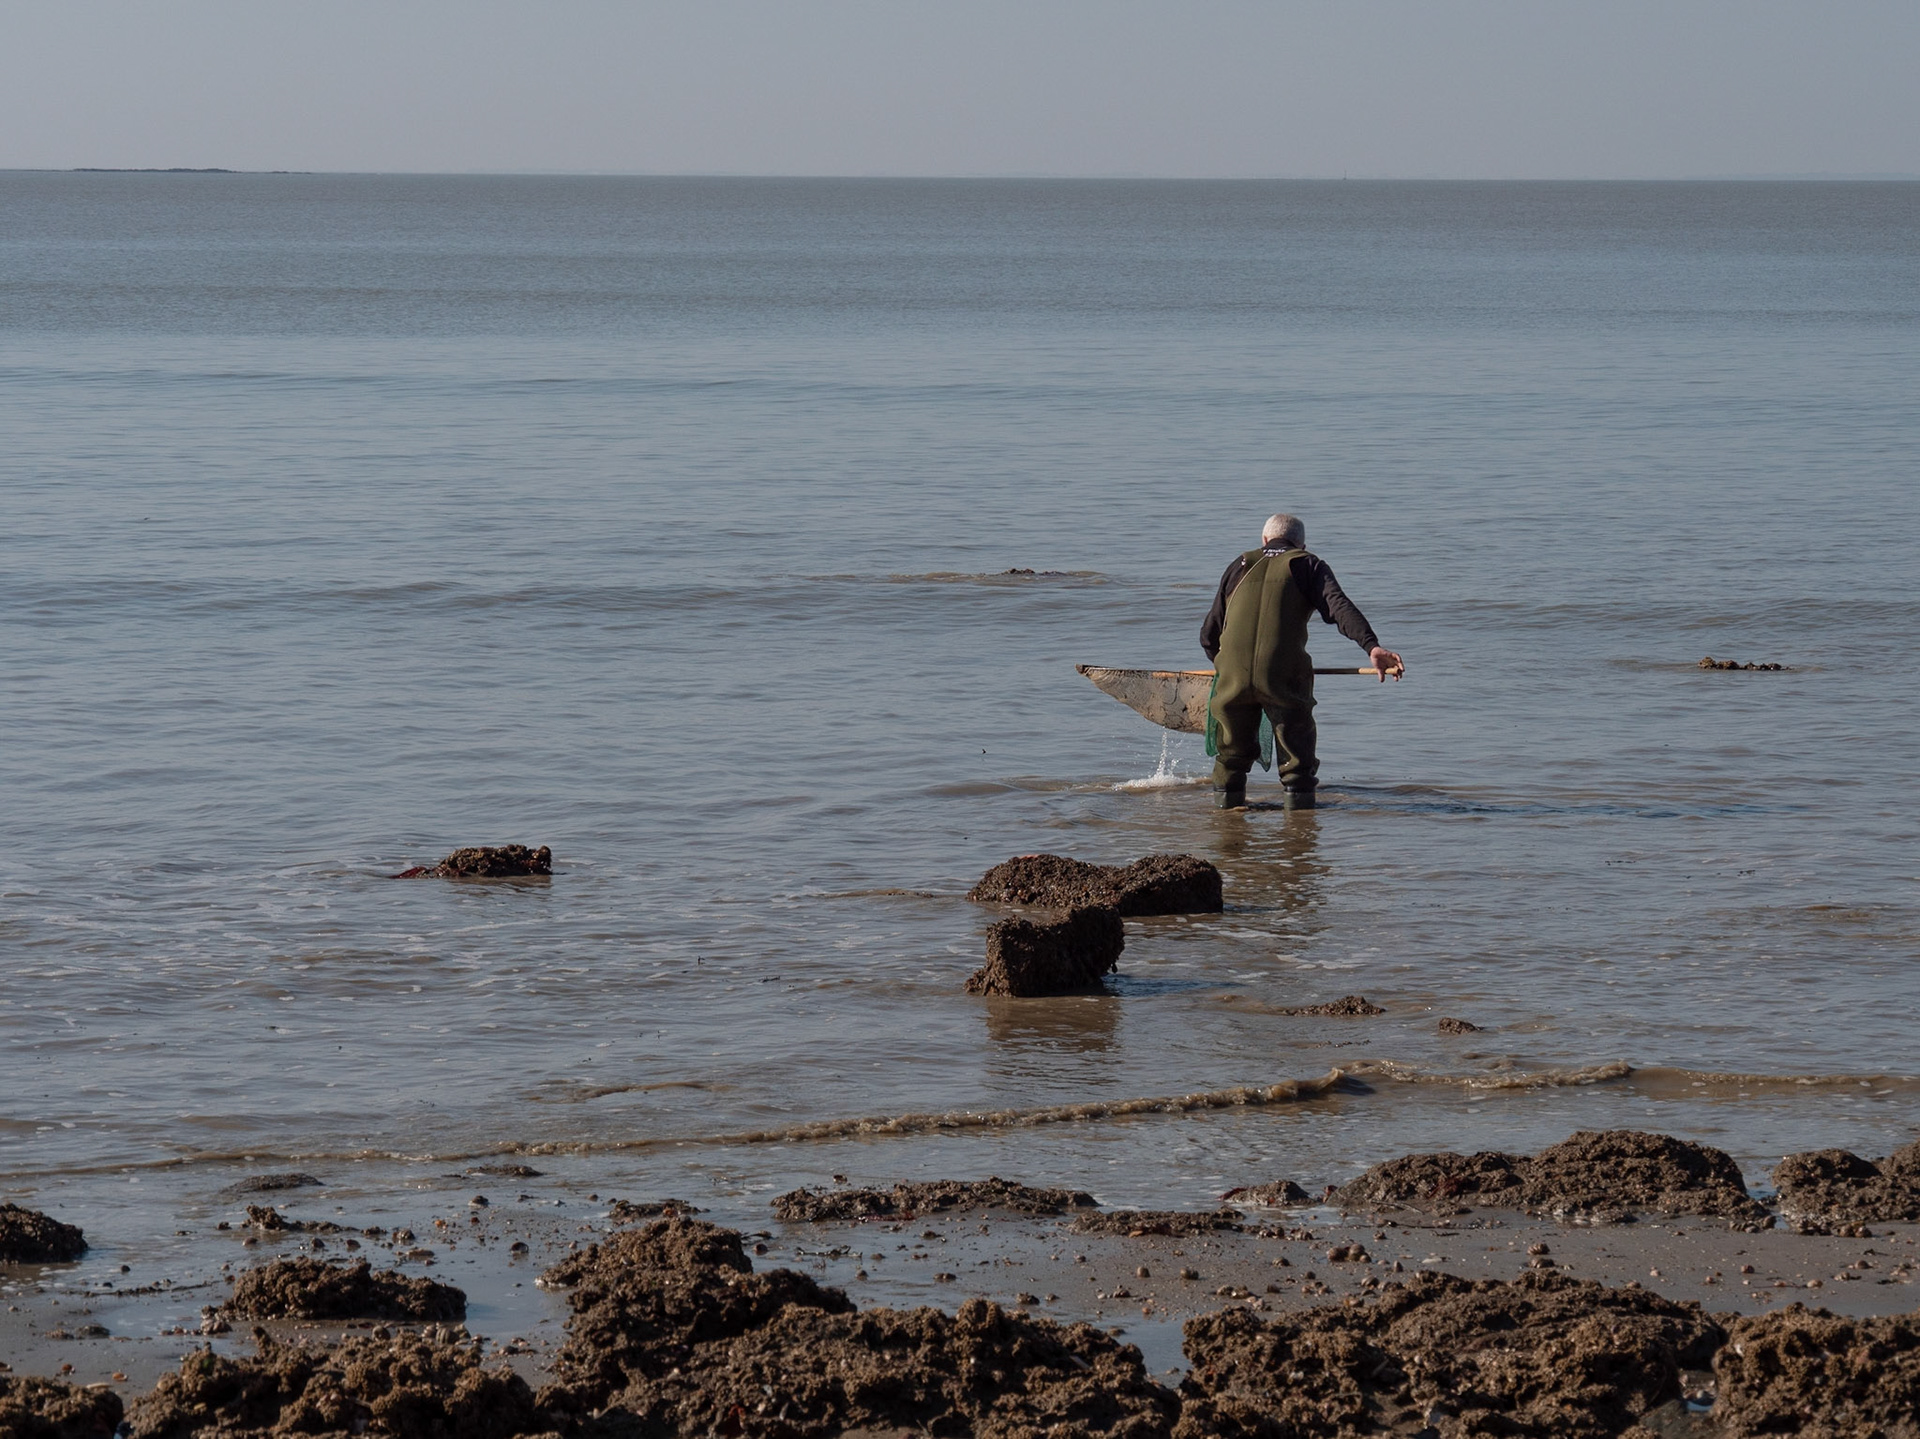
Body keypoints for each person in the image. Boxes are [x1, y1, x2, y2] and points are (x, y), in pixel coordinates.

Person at [1199, 513, 1404, 809]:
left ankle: (1228, 830)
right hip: (1282, 678)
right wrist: (1371, 646)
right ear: (1301, 544)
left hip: (1231, 677)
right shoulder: (1307, 563)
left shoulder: (1240, 564)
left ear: (1265, 540)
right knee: (1297, 765)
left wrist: (1228, 671)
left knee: (1230, 759)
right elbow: (1338, 608)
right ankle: (1299, 839)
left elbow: (1209, 634)